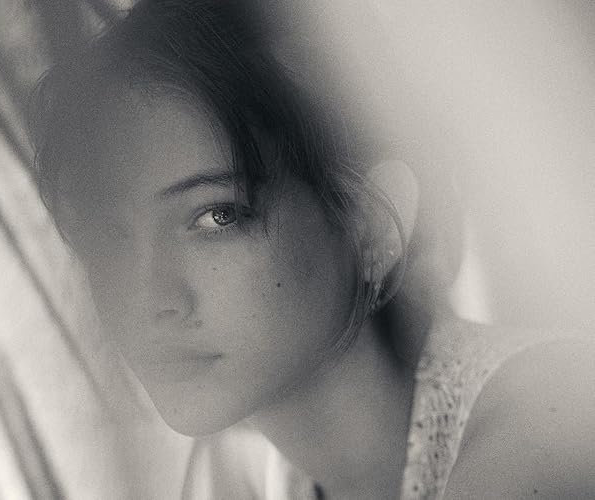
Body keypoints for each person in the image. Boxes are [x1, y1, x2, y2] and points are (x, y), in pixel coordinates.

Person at [30, 1, 595, 498]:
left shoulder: (539, 440)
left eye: (216, 216)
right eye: (108, 237)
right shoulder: (239, 470)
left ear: (373, 225)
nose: (149, 299)